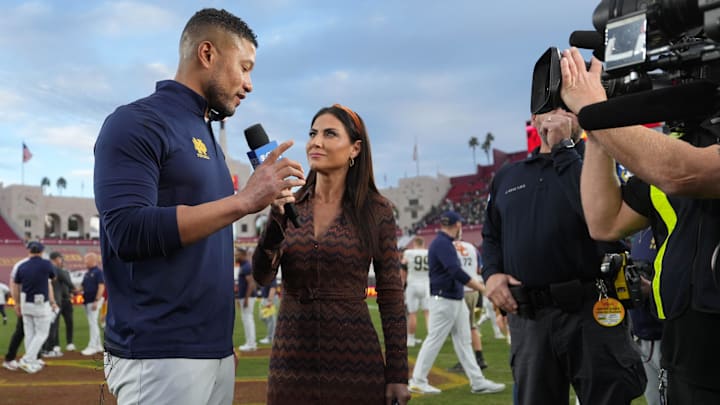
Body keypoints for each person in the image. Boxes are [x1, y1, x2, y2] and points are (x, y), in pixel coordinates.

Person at [93, 8, 305, 405]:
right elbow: (127, 230)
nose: (249, 84)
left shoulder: (202, 129)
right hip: (159, 353)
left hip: (212, 350)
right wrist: (244, 201)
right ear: (207, 54)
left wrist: (219, 345)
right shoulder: (137, 122)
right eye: (244, 67)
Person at [560, 46, 720, 404]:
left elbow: (684, 173)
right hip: (684, 349)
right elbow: (604, 221)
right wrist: (599, 126)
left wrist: (597, 110)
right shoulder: (685, 144)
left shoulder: (683, 160)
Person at [482, 106, 646, 405]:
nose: (559, 114)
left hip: (592, 308)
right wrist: (491, 273)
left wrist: (565, 149)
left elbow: (608, 225)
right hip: (531, 315)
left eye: (568, 107)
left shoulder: (600, 163)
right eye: (550, 108)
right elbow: (491, 234)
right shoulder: (508, 175)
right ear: (534, 120)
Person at [252, 104, 411, 405]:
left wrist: (398, 376)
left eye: (329, 134)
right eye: (313, 133)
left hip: (356, 365)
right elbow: (262, 275)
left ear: (355, 148)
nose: (316, 142)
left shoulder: (377, 211)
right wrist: (275, 219)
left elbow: (390, 295)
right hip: (291, 364)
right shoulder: (290, 203)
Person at [409, 211, 505, 395]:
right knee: (435, 339)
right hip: (445, 299)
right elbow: (455, 271)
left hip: (454, 298)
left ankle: (477, 382)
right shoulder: (443, 243)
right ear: (458, 225)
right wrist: (481, 287)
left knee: (464, 341)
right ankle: (418, 380)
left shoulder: (441, 243)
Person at [628, 228, 663, 405]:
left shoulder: (670, 226)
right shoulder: (638, 233)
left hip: (666, 334)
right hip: (641, 333)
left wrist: (651, 287)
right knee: (654, 400)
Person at [12, 241, 57, 373]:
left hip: (25, 301)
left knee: (30, 332)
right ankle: (27, 359)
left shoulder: (22, 265)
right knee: (42, 333)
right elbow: (53, 278)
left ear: (29, 251)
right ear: (42, 251)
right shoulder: (46, 264)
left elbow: (16, 286)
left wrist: (17, 303)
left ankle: (31, 361)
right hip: (40, 302)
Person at [448, 239, 489, 372]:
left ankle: (465, 361)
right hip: (474, 289)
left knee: (460, 329)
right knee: (472, 325)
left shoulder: (448, 247)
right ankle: (479, 358)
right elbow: (479, 269)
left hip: (460, 291)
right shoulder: (472, 247)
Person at [41, 251, 75, 358]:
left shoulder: (44, 268)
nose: (62, 260)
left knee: (48, 325)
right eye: (60, 258)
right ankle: (49, 349)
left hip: (45, 301)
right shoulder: (54, 268)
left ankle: (45, 349)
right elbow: (66, 280)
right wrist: (74, 288)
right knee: (53, 326)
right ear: (56, 259)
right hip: (54, 301)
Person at [401, 236, 429, 347]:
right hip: (426, 285)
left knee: (412, 313)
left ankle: (411, 339)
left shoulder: (409, 253)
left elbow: (403, 267)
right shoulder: (428, 253)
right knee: (428, 313)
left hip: (413, 284)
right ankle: (430, 339)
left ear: (414, 243)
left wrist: (402, 285)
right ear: (423, 243)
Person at [79, 253, 105, 356]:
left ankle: (92, 346)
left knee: (93, 323)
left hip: (93, 301)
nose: (84, 262)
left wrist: (96, 300)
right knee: (93, 323)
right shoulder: (87, 273)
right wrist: (74, 291)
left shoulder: (98, 272)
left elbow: (101, 287)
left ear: (92, 260)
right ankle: (98, 346)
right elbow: (82, 286)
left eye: (86, 260)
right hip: (87, 301)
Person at [236, 247, 257, 352]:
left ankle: (251, 343)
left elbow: (251, 283)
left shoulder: (246, 266)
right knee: (247, 319)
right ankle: (250, 342)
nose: (235, 256)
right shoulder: (244, 265)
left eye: (237, 254)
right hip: (245, 297)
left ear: (243, 254)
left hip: (247, 297)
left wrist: (246, 299)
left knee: (247, 319)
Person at [257, 276, 278, 345]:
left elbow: (273, 288)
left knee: (270, 320)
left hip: (269, 299)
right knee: (262, 317)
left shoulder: (271, 276)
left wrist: (270, 300)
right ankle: (273, 334)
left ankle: (270, 338)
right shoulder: (266, 275)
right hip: (265, 298)